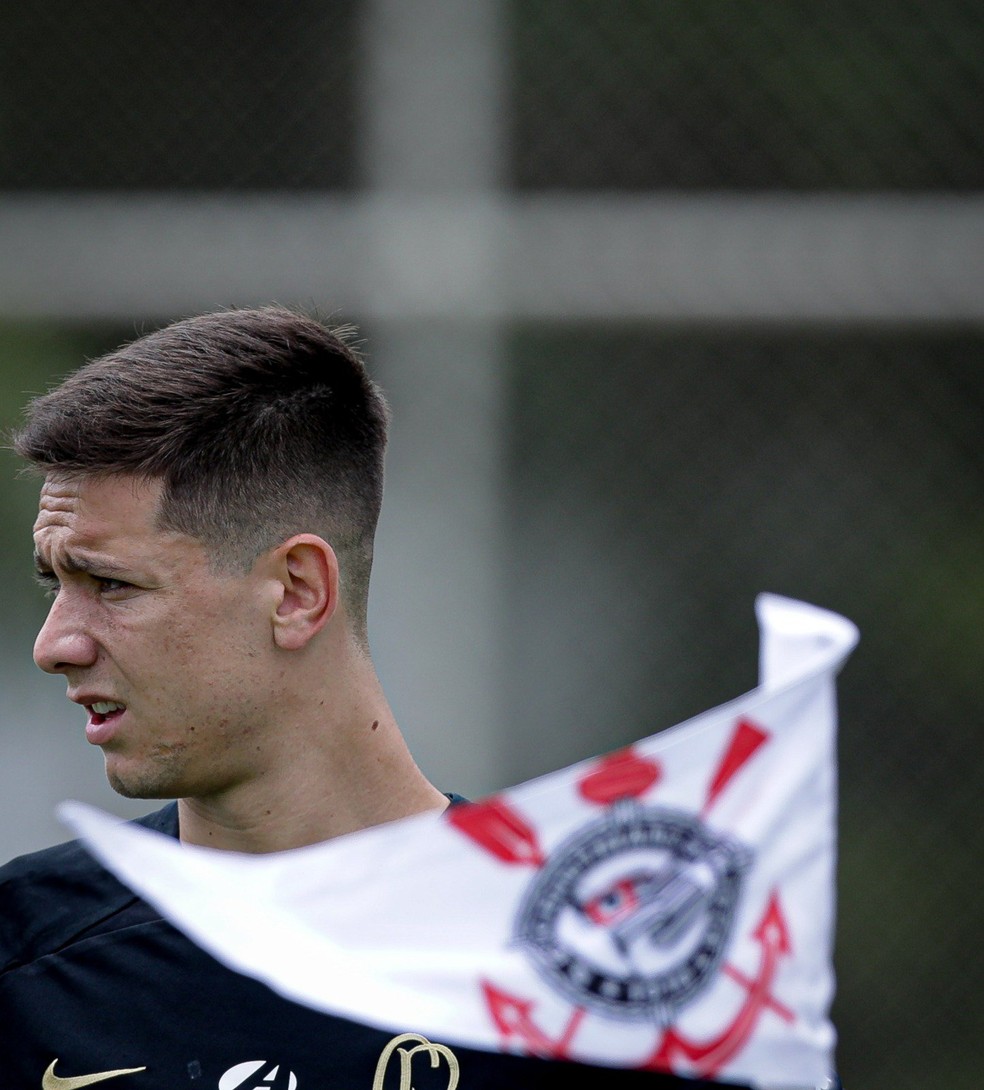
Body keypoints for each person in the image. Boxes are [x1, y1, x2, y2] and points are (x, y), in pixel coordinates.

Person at [0, 307, 753, 1090]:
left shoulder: (610, 984)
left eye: (112, 584)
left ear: (296, 592)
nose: (55, 645)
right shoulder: (24, 964)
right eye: (57, 583)